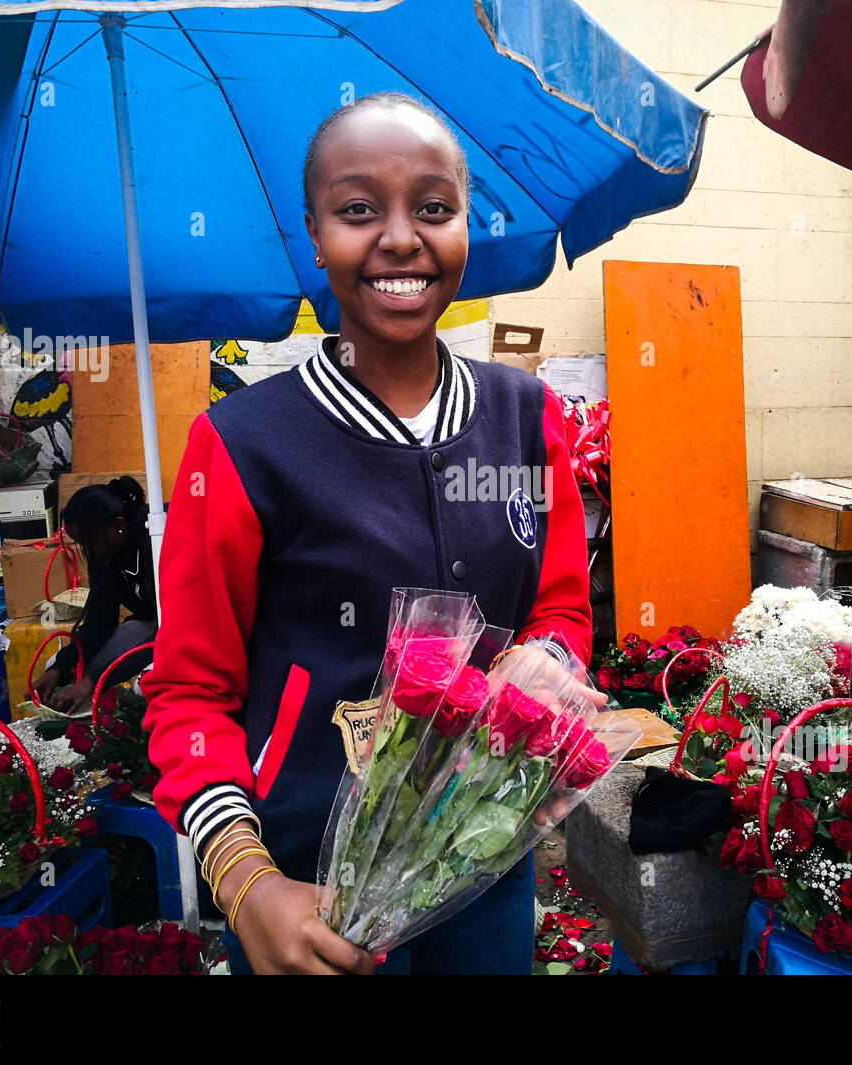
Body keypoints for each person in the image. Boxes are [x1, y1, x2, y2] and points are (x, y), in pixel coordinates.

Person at [142, 92, 598, 975]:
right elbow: (188, 695)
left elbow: (564, 614)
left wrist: (551, 662)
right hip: (306, 908)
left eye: (435, 207)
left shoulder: (527, 418)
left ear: (467, 224)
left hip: (484, 881)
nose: (400, 238)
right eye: (359, 210)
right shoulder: (243, 447)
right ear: (314, 235)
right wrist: (247, 884)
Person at [33, 476, 157, 713]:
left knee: (147, 683)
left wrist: (93, 681)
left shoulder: (159, 538)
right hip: (152, 622)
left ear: (119, 526)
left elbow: (174, 633)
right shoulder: (104, 551)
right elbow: (99, 621)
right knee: (73, 667)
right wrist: (58, 668)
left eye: (91, 542)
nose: (87, 551)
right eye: (81, 544)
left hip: (190, 628)